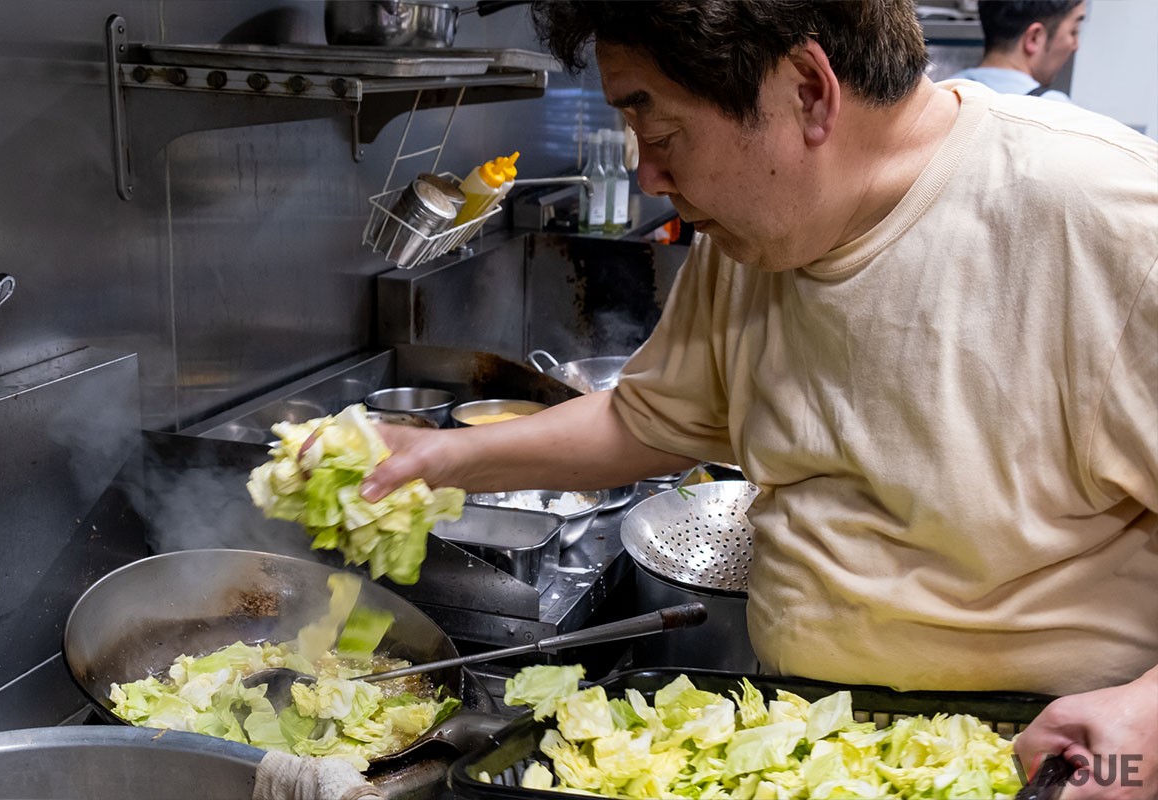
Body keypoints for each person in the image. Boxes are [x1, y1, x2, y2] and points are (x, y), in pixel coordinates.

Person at [360, 1, 1157, 795]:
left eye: (662, 134)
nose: (648, 175)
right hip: (801, 746)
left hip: (1039, 759)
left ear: (809, 90)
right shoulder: (755, 233)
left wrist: (1147, 721)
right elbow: (649, 418)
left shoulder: (1104, 219)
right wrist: (436, 458)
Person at [949, 0, 1086, 102]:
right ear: (1034, 38)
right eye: (1073, 32)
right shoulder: (1055, 109)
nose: (1075, 46)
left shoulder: (946, 91)